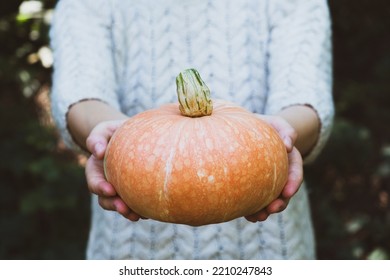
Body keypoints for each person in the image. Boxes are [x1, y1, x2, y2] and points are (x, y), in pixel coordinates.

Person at [50, 0, 334, 259]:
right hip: (130, 253)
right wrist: (116, 139)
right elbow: (81, 94)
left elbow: (305, 98)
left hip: (268, 250)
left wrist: (278, 138)